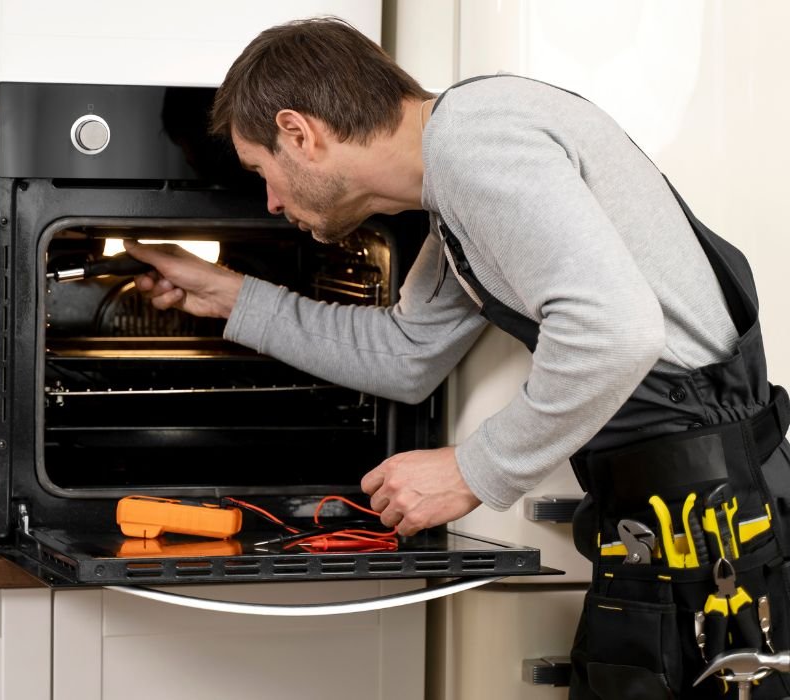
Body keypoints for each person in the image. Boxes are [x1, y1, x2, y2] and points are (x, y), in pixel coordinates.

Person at [125, 17, 790, 699]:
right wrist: (229, 297)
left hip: (712, 534)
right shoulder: (457, 175)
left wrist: (471, 469)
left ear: (300, 133)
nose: (269, 201)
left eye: (262, 172)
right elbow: (406, 355)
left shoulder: (478, 143)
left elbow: (615, 331)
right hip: (667, 524)